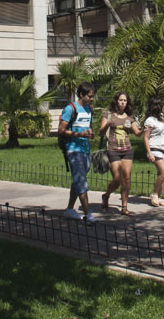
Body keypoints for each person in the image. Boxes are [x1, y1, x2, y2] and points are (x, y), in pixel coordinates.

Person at [99, 92, 143, 216]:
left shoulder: (129, 118)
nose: (123, 102)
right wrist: (107, 124)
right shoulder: (108, 115)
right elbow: (101, 132)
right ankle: (106, 195)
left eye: (125, 100)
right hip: (113, 150)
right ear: (116, 101)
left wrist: (145, 130)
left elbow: (137, 133)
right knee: (117, 179)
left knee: (127, 178)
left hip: (127, 150)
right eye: (120, 100)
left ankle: (124, 207)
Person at [58, 82, 97, 222]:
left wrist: (90, 134)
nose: (92, 99)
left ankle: (69, 209)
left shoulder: (89, 109)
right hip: (74, 150)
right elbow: (61, 130)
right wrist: (79, 135)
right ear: (81, 94)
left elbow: (88, 127)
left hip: (85, 150)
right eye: (90, 96)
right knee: (81, 182)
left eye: (93, 97)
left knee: (78, 181)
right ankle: (88, 214)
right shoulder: (70, 109)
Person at [143, 97, 164, 207]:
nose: (163, 107)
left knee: (162, 175)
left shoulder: (161, 117)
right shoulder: (149, 120)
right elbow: (145, 137)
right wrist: (149, 153)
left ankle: (159, 197)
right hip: (155, 149)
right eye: (161, 105)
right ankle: (154, 193)